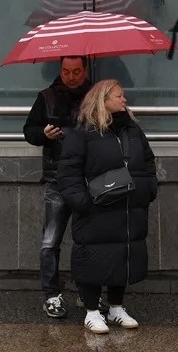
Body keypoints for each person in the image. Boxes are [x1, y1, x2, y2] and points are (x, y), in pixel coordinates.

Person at [57, 79, 158, 334]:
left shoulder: (132, 130)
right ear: (102, 100)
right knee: (93, 258)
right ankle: (92, 311)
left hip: (129, 207)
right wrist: (82, 202)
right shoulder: (83, 132)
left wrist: (149, 189)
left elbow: (148, 161)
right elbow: (68, 172)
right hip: (96, 208)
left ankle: (116, 307)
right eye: (119, 96)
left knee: (122, 255)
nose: (124, 100)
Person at [23, 56, 93, 319]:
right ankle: (51, 294)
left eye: (76, 71)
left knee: (88, 241)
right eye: (65, 71)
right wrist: (44, 135)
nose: (70, 76)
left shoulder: (96, 95)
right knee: (50, 241)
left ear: (85, 71)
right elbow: (29, 130)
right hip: (57, 178)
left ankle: (89, 294)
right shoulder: (47, 97)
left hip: (89, 178)